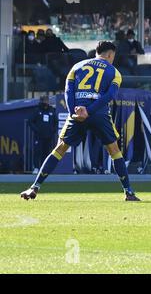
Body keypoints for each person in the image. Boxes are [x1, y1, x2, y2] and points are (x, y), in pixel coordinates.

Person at [20, 41, 140, 201]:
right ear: (110, 54)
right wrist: (89, 111)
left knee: (60, 148)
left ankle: (34, 187)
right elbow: (110, 96)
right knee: (114, 150)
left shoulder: (76, 67)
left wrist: (73, 113)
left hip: (77, 111)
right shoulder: (114, 72)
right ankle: (128, 192)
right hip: (98, 113)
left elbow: (68, 92)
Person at [29, 95, 58, 174]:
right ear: (41, 101)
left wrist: (53, 131)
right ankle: (36, 167)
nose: (46, 102)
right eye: (44, 100)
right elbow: (30, 121)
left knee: (46, 152)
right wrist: (36, 130)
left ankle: (43, 168)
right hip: (39, 136)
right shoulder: (37, 110)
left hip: (48, 136)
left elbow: (56, 122)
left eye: (47, 100)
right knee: (37, 152)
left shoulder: (52, 111)